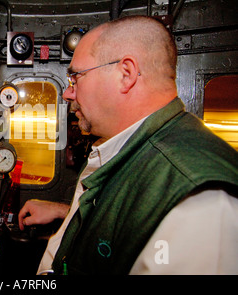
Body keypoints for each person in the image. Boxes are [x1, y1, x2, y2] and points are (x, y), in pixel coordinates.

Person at [18, 15, 238, 274]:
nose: (67, 93)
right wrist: (65, 212)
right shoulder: (126, 146)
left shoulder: (201, 206)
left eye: (76, 77)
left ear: (126, 74)